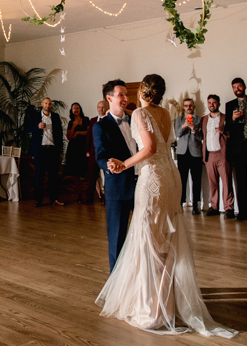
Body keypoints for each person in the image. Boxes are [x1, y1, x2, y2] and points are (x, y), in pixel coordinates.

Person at [96, 74, 236, 338]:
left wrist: (124, 163)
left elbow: (148, 149)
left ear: (142, 92)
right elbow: (164, 145)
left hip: (152, 180)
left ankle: (152, 308)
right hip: (170, 176)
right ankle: (166, 303)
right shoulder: (165, 112)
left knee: (149, 238)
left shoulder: (140, 112)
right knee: (166, 238)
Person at [93, 80, 137, 271]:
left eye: (126, 94)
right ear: (109, 98)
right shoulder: (101, 126)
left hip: (141, 184)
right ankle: (117, 285)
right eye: (121, 95)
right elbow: (100, 156)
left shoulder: (135, 120)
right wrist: (110, 166)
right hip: (118, 187)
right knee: (118, 237)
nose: (125, 98)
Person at [224, 78, 247, 221]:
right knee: (241, 182)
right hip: (238, 149)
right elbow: (227, 130)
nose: (237, 89)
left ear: (244, 86)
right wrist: (232, 119)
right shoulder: (229, 105)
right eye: (234, 87)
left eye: (239, 86)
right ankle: (243, 212)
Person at [26, 97, 65, 207]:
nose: (48, 105)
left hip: (52, 149)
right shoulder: (35, 116)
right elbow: (27, 129)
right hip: (40, 149)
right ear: (42, 104)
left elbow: (59, 133)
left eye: (49, 104)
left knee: (53, 175)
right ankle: (38, 200)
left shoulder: (56, 117)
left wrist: (59, 149)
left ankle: (54, 199)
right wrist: (36, 127)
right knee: (39, 175)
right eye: (46, 103)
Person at [201, 95, 233, 217]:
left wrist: (224, 131)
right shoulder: (204, 119)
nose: (211, 105)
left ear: (219, 104)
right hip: (209, 154)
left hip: (222, 154)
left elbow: (232, 134)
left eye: (214, 103)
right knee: (212, 183)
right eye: (209, 103)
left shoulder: (225, 118)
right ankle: (214, 206)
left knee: (226, 182)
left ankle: (229, 208)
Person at [174, 98, 204, 215]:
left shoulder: (199, 120)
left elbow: (201, 137)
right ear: (183, 107)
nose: (188, 107)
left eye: (190, 105)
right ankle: (180, 203)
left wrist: (193, 130)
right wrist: (184, 126)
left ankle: (196, 205)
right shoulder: (179, 119)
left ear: (194, 107)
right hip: (182, 153)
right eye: (186, 106)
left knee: (196, 179)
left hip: (196, 153)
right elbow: (176, 134)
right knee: (182, 179)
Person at [66, 103, 92, 203]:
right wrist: (73, 127)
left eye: (77, 108)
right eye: (74, 108)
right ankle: (79, 195)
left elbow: (88, 132)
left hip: (84, 148)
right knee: (75, 173)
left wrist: (77, 133)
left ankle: (91, 194)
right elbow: (69, 137)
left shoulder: (86, 120)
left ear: (80, 109)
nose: (76, 110)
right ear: (71, 110)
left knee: (87, 172)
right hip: (73, 149)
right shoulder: (71, 122)